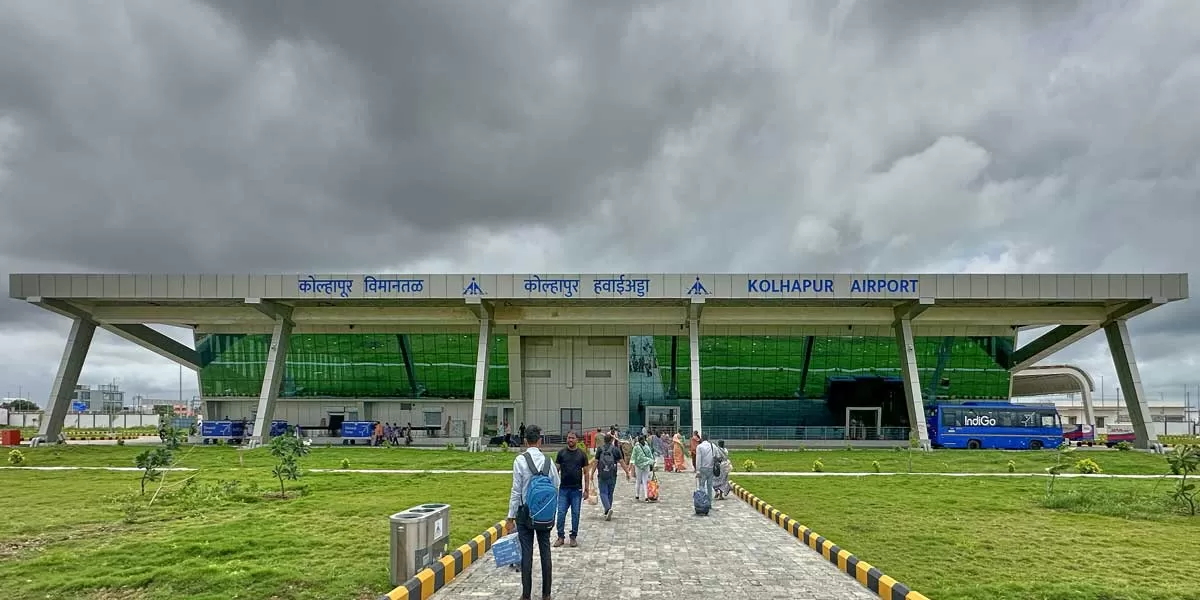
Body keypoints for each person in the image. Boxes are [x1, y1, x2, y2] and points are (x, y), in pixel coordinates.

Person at [507, 425, 559, 600]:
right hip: (544, 513)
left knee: (526, 553)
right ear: (540, 441)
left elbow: (516, 491)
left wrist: (510, 516)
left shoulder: (520, 461)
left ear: (524, 441)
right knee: (545, 551)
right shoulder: (548, 462)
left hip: (524, 514)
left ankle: (526, 594)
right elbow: (555, 486)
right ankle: (546, 594)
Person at [553, 430, 588, 547]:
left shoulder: (582, 454)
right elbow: (555, 471)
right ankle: (560, 536)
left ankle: (573, 536)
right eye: (568, 438)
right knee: (561, 513)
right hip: (563, 489)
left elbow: (586, 473)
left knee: (575, 513)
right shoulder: (561, 453)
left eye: (572, 438)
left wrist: (586, 489)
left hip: (576, 490)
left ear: (577, 440)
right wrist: (552, 486)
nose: (570, 440)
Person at [592, 433, 624, 521]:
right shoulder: (616, 449)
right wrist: (627, 472)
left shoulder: (600, 449)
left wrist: (592, 473)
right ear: (611, 440)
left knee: (603, 492)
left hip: (602, 474)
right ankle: (608, 509)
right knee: (610, 493)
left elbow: (595, 462)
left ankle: (607, 509)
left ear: (604, 440)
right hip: (612, 474)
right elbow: (621, 461)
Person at [631, 435, 655, 502]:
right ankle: (646, 497)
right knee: (645, 481)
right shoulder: (647, 447)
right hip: (646, 465)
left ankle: (637, 496)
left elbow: (633, 457)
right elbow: (651, 456)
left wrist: (630, 466)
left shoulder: (636, 447)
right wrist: (652, 462)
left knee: (638, 481)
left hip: (638, 466)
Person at [694, 433, 716, 504]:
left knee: (702, 485)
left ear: (702, 439)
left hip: (702, 469)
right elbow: (715, 456)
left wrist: (697, 470)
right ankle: (709, 503)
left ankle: (703, 501)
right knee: (709, 486)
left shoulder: (699, 447)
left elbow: (698, 459)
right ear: (708, 438)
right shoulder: (713, 446)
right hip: (711, 468)